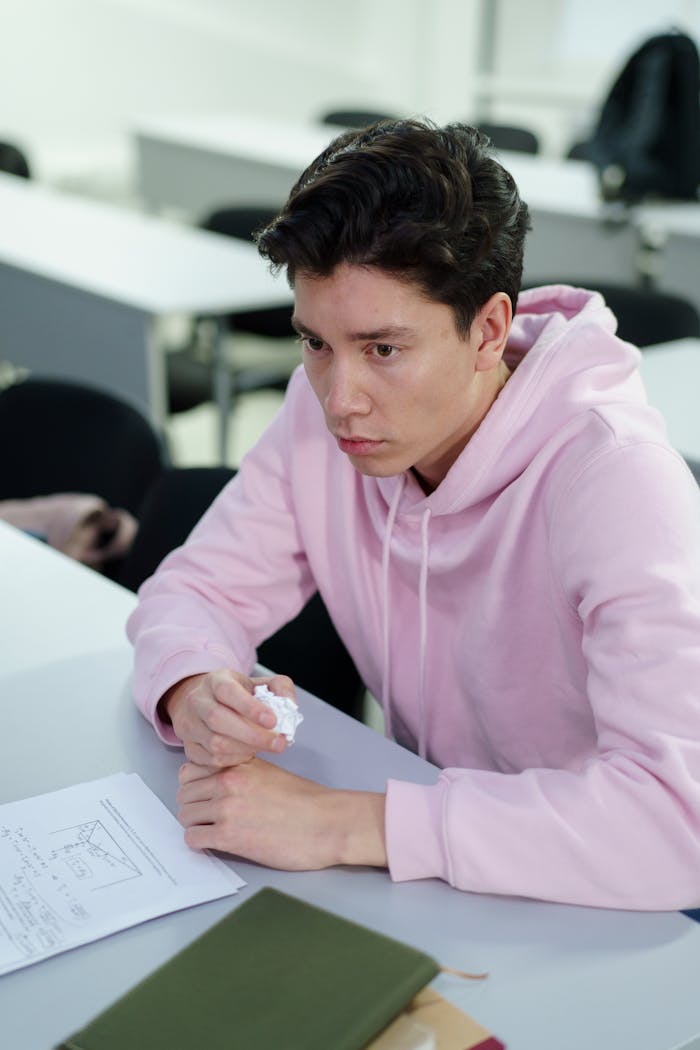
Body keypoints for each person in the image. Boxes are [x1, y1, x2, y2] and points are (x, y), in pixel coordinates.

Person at [127, 119, 700, 910]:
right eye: (315, 344)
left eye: (383, 350)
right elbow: (195, 589)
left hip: (609, 901)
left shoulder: (616, 481)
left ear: (488, 331)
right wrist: (196, 687)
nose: (340, 400)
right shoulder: (322, 415)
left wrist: (345, 824)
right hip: (439, 875)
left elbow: (676, 825)